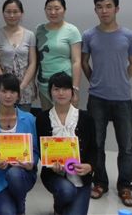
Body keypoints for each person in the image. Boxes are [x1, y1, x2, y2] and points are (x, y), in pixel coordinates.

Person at [81, 0, 132, 207]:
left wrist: (120, 80)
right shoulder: (89, 35)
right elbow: (84, 62)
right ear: (95, 10)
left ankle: (125, 186)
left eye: (108, 6)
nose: (104, 10)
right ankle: (100, 182)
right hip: (97, 98)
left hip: (123, 99)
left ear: (117, 9)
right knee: (97, 144)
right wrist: (95, 80)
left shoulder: (129, 36)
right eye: (99, 6)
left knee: (126, 146)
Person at [36, 72, 96, 215]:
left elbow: (95, 148)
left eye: (65, 89)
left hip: (81, 178)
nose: (61, 93)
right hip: (54, 176)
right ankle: (59, 207)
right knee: (66, 191)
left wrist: (90, 166)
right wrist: (51, 165)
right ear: (50, 92)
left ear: (72, 92)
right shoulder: (42, 119)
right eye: (56, 89)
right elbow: (41, 149)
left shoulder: (86, 118)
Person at [0, 73, 39, 215]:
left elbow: (35, 149)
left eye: (12, 92)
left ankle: (20, 206)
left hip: (22, 174)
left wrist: (31, 163)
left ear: (18, 95)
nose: (8, 96)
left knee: (14, 174)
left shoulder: (29, 119)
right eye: (4, 91)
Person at [0, 0, 37, 112]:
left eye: (15, 12)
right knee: (1, 120)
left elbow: (33, 63)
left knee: (23, 120)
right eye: (8, 12)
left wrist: (21, 87)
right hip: (2, 88)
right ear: (3, 13)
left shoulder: (30, 35)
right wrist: (5, 86)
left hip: (24, 88)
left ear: (22, 13)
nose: (12, 15)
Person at [35, 0, 82, 110]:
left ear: (64, 10)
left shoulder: (72, 30)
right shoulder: (39, 30)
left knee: (66, 119)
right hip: (44, 85)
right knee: (47, 118)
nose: (53, 12)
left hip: (64, 86)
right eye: (49, 9)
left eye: (57, 8)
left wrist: (75, 89)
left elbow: (76, 61)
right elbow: (35, 59)